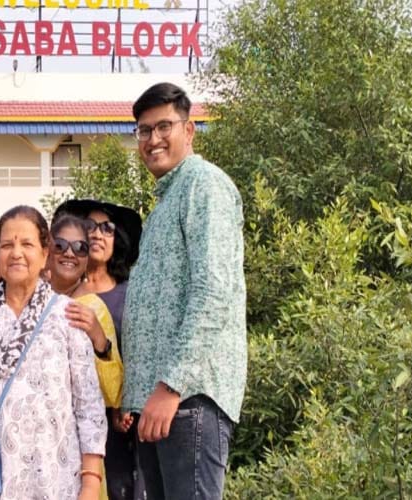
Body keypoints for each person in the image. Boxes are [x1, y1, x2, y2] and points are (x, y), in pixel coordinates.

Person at [125, 82, 247, 499]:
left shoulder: (204, 185)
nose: (153, 139)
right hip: (161, 407)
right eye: (144, 130)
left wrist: (170, 386)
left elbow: (213, 294)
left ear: (189, 130)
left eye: (163, 127)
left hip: (188, 400)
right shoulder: (167, 201)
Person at [0, 205, 106, 500]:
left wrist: (91, 484)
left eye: (27, 244)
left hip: (57, 479)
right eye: (7, 244)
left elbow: (88, 405)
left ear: (45, 254)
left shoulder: (67, 314)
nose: (16, 253)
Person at [54, 198, 143, 500]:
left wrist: (125, 405)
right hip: (66, 418)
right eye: (89, 227)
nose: (96, 234)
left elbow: (139, 354)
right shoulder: (57, 293)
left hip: (119, 420)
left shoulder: (131, 293)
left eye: (107, 228)